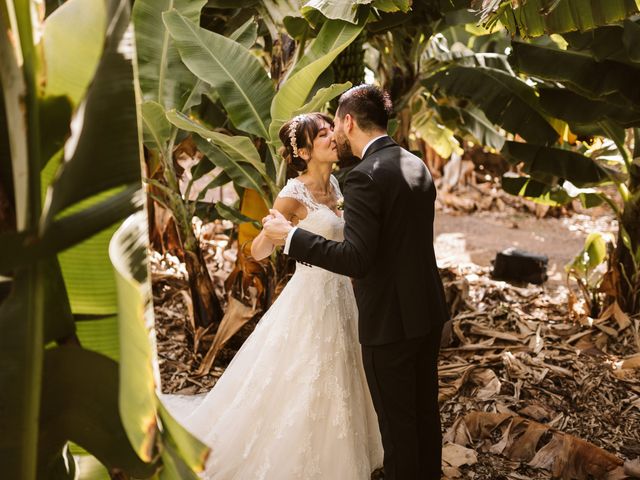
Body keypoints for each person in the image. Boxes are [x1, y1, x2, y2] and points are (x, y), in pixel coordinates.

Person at [164, 112, 383, 479]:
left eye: (333, 130)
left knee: (344, 371)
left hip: (343, 296)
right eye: (324, 134)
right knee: (306, 374)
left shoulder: (339, 187)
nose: (334, 137)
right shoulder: (292, 194)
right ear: (303, 150)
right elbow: (258, 251)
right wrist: (270, 232)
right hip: (311, 298)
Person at [262, 85, 449, 479]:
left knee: (398, 430)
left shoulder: (363, 178)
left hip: (390, 321)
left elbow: (357, 259)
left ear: (348, 122)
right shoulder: (415, 163)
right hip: (426, 312)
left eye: (335, 126)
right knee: (424, 416)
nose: (334, 136)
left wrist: (293, 239)